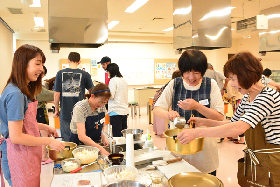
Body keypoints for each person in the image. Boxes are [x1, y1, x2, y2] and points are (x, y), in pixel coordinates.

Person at [183, 51, 280, 186]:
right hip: (259, 157)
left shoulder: (267, 96)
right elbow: (233, 123)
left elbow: (238, 129)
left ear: (246, 75)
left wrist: (197, 133)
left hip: (273, 159)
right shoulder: (247, 97)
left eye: (233, 79)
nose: (232, 84)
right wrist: (205, 122)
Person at [0, 44, 65, 187]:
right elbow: (16, 136)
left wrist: (44, 127)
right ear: (23, 64)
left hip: (25, 153)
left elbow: (22, 124)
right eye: (38, 63)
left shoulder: (19, 90)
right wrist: (48, 142)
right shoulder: (15, 94)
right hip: (18, 154)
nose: (41, 69)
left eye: (42, 64)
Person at [153, 49, 224, 176]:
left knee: (204, 179)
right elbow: (157, 109)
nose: (191, 78)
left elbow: (219, 117)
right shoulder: (175, 84)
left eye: (196, 73)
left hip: (204, 144)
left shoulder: (210, 84)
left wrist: (197, 106)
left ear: (203, 71)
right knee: (178, 177)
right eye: (187, 72)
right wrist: (168, 115)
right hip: (178, 143)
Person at [53, 52, 94, 141]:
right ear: (79, 62)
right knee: (81, 138)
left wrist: (56, 109)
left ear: (68, 60)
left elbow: (56, 94)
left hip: (65, 112)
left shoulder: (60, 73)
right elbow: (92, 91)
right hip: (81, 112)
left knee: (67, 142)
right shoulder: (85, 74)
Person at [69, 83, 111, 155]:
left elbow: (102, 125)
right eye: (100, 102)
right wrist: (100, 148)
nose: (101, 105)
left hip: (96, 142)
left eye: (104, 103)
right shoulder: (80, 108)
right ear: (92, 96)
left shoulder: (102, 107)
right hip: (80, 144)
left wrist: (104, 137)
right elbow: (82, 136)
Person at [152, 70, 182, 138]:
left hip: (158, 98)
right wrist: (169, 112)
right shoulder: (174, 84)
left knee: (158, 117)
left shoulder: (173, 82)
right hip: (161, 100)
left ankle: (157, 131)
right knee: (161, 117)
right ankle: (162, 133)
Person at [35, 65, 56, 164]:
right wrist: (59, 95)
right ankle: (43, 156)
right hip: (38, 111)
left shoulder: (38, 83)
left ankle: (42, 155)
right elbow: (43, 95)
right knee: (44, 134)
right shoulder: (38, 85)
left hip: (39, 110)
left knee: (43, 132)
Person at [106, 63, 128, 137]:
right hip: (124, 111)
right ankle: (124, 148)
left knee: (117, 136)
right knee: (124, 135)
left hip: (115, 111)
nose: (107, 73)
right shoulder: (124, 80)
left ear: (111, 71)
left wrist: (105, 92)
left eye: (107, 71)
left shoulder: (113, 80)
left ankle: (119, 148)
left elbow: (111, 96)